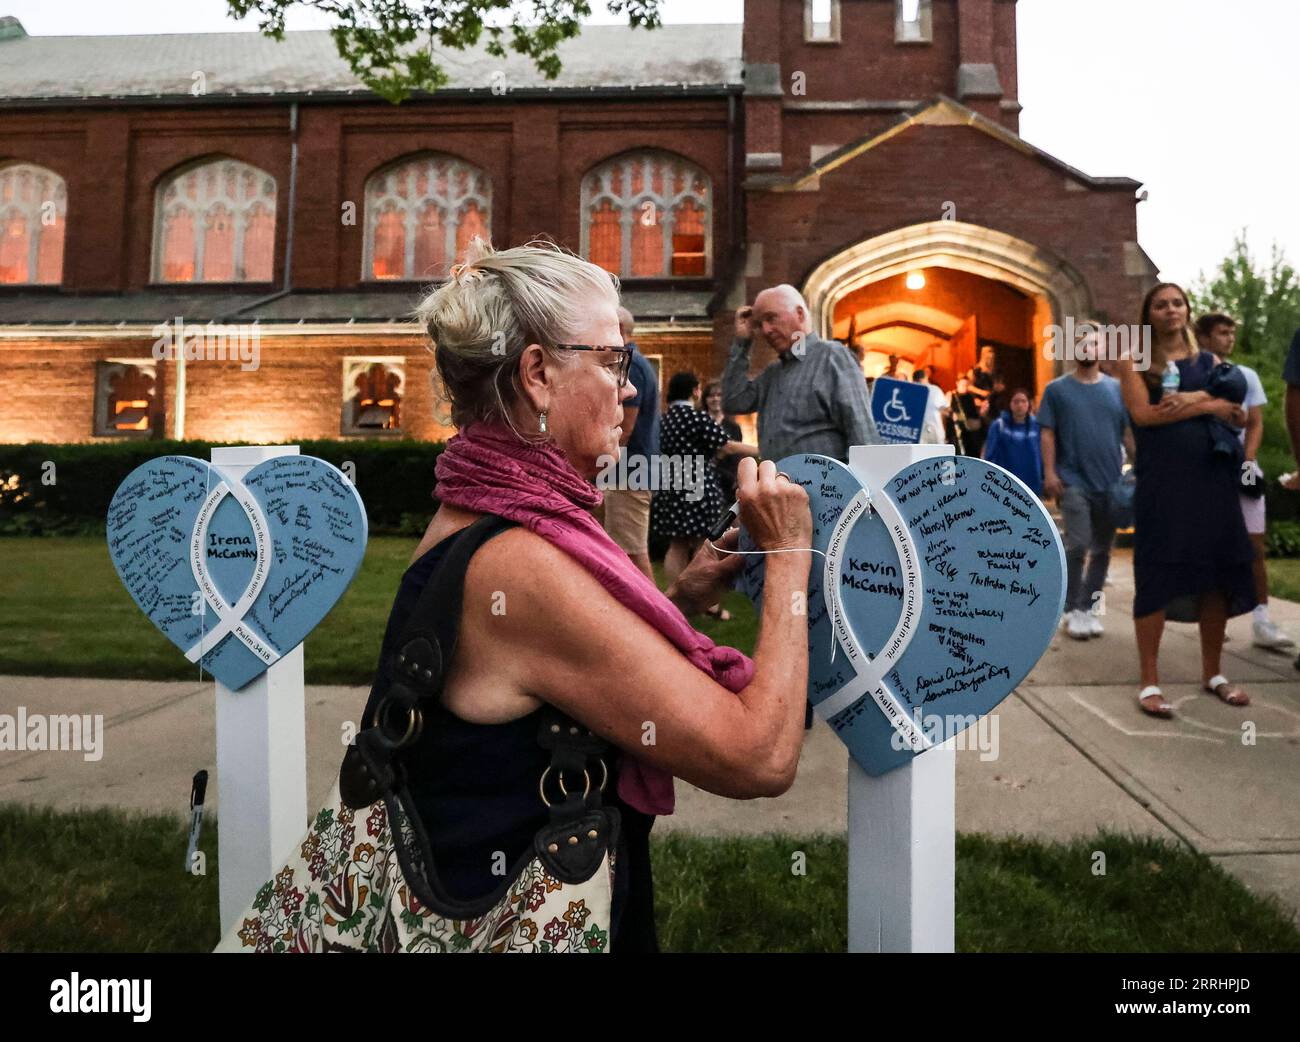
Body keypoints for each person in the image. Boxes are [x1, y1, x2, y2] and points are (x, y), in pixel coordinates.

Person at [379, 239, 811, 952]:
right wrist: (791, 556)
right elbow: (759, 757)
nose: (633, 386)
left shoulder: (479, 509)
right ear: (539, 374)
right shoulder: (521, 566)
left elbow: (556, 667)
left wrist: (674, 597)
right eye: (612, 360)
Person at [1117, 282, 1254, 718]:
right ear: (1148, 314)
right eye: (1160, 304)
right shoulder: (1134, 362)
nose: (1170, 309)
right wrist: (1209, 404)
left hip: (1212, 482)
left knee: (1216, 574)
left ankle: (1213, 674)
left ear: (1187, 310)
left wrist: (1197, 400)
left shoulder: (1209, 361)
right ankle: (1149, 682)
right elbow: (1146, 415)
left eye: (1177, 302)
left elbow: (1239, 414)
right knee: (1158, 572)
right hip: (1164, 486)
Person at [1197, 313, 1293, 650]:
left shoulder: (1246, 376)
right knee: (1209, 549)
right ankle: (1212, 619)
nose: (1229, 339)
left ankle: (1262, 620)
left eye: (1231, 333)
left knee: (1254, 547)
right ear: (1204, 337)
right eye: (1222, 333)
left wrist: (1249, 462)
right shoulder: (1193, 376)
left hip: (1242, 465)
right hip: (1206, 470)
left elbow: (1255, 423)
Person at [1038, 324, 1134, 641]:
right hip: (1072, 479)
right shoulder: (1056, 390)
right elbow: (1048, 433)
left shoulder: (1117, 390)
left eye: (1093, 342)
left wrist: (1143, 467)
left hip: (1110, 482)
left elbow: (1127, 434)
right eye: (1080, 341)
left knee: (1103, 549)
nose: (1087, 347)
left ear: (1102, 348)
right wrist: (1050, 473)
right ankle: (1071, 608)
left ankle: (1089, 609)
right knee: (1079, 543)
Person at [722, 285, 881, 462]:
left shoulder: (832, 357)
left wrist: (864, 484)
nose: (766, 330)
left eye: (771, 318)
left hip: (826, 486)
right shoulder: (773, 373)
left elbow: (860, 429)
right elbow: (733, 401)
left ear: (799, 314)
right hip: (779, 485)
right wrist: (742, 343)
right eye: (759, 324)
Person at [652, 370, 759, 609]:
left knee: (677, 544)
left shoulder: (664, 419)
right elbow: (727, 446)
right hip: (698, 484)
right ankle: (708, 603)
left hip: (672, 483)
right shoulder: (697, 418)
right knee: (706, 544)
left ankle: (674, 598)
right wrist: (759, 449)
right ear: (695, 391)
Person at [600, 306, 659, 581]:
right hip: (629, 471)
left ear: (620, 329)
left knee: (632, 551)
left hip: (628, 473)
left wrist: (597, 465)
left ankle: (661, 621)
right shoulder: (634, 361)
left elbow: (625, 426)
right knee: (620, 549)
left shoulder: (631, 362)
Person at [981, 388, 1043, 496]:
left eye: (1023, 401)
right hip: (1006, 483)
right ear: (1009, 404)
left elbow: (1042, 452)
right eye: (1016, 401)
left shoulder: (1037, 425)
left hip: (1032, 481)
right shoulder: (999, 425)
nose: (1020, 405)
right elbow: (989, 453)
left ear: (1029, 404)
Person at [703, 378, 746, 505]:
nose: (715, 399)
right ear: (705, 399)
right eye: (711, 395)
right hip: (704, 481)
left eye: (719, 395)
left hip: (727, 482)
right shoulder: (699, 423)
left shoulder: (733, 427)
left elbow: (737, 456)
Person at [946, 373, 984, 456]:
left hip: (968, 431)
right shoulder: (951, 395)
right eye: (963, 384)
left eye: (966, 385)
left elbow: (974, 414)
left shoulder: (970, 397)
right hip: (954, 430)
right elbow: (946, 411)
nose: (964, 386)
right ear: (957, 383)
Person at [912, 367, 948, 444]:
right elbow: (944, 410)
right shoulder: (935, 389)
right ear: (926, 377)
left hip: (918, 432)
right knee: (939, 454)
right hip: (935, 430)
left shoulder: (911, 391)